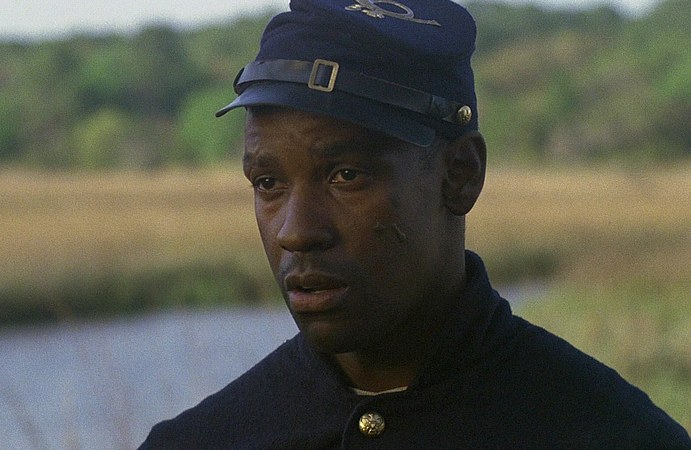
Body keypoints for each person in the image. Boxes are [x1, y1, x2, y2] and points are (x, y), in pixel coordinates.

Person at [141, 0, 690, 447]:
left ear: (461, 175)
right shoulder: (201, 440)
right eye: (267, 183)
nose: (296, 232)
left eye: (346, 175)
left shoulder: (613, 434)